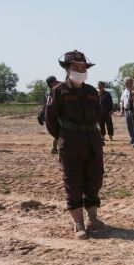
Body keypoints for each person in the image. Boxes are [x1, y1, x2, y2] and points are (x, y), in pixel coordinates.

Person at [45, 50, 105, 240]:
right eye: (76, 67)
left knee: (94, 180)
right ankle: (78, 223)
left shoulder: (91, 92)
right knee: (73, 183)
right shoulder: (59, 91)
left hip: (92, 143)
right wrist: (65, 136)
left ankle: (93, 219)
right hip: (71, 145)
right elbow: (51, 120)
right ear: (67, 68)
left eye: (83, 67)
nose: (80, 69)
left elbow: (97, 114)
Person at [38, 76, 60, 153]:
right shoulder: (51, 91)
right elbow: (48, 105)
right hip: (54, 115)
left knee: (60, 132)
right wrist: (42, 114)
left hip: (55, 114)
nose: (57, 82)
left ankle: (55, 148)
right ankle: (55, 148)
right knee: (60, 131)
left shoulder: (54, 90)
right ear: (51, 83)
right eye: (55, 81)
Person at [120, 77, 134, 146]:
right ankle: (132, 138)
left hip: (132, 110)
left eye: (127, 82)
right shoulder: (124, 90)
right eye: (125, 82)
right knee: (129, 126)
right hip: (126, 110)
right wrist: (122, 109)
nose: (125, 84)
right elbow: (122, 100)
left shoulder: (133, 90)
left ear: (131, 83)